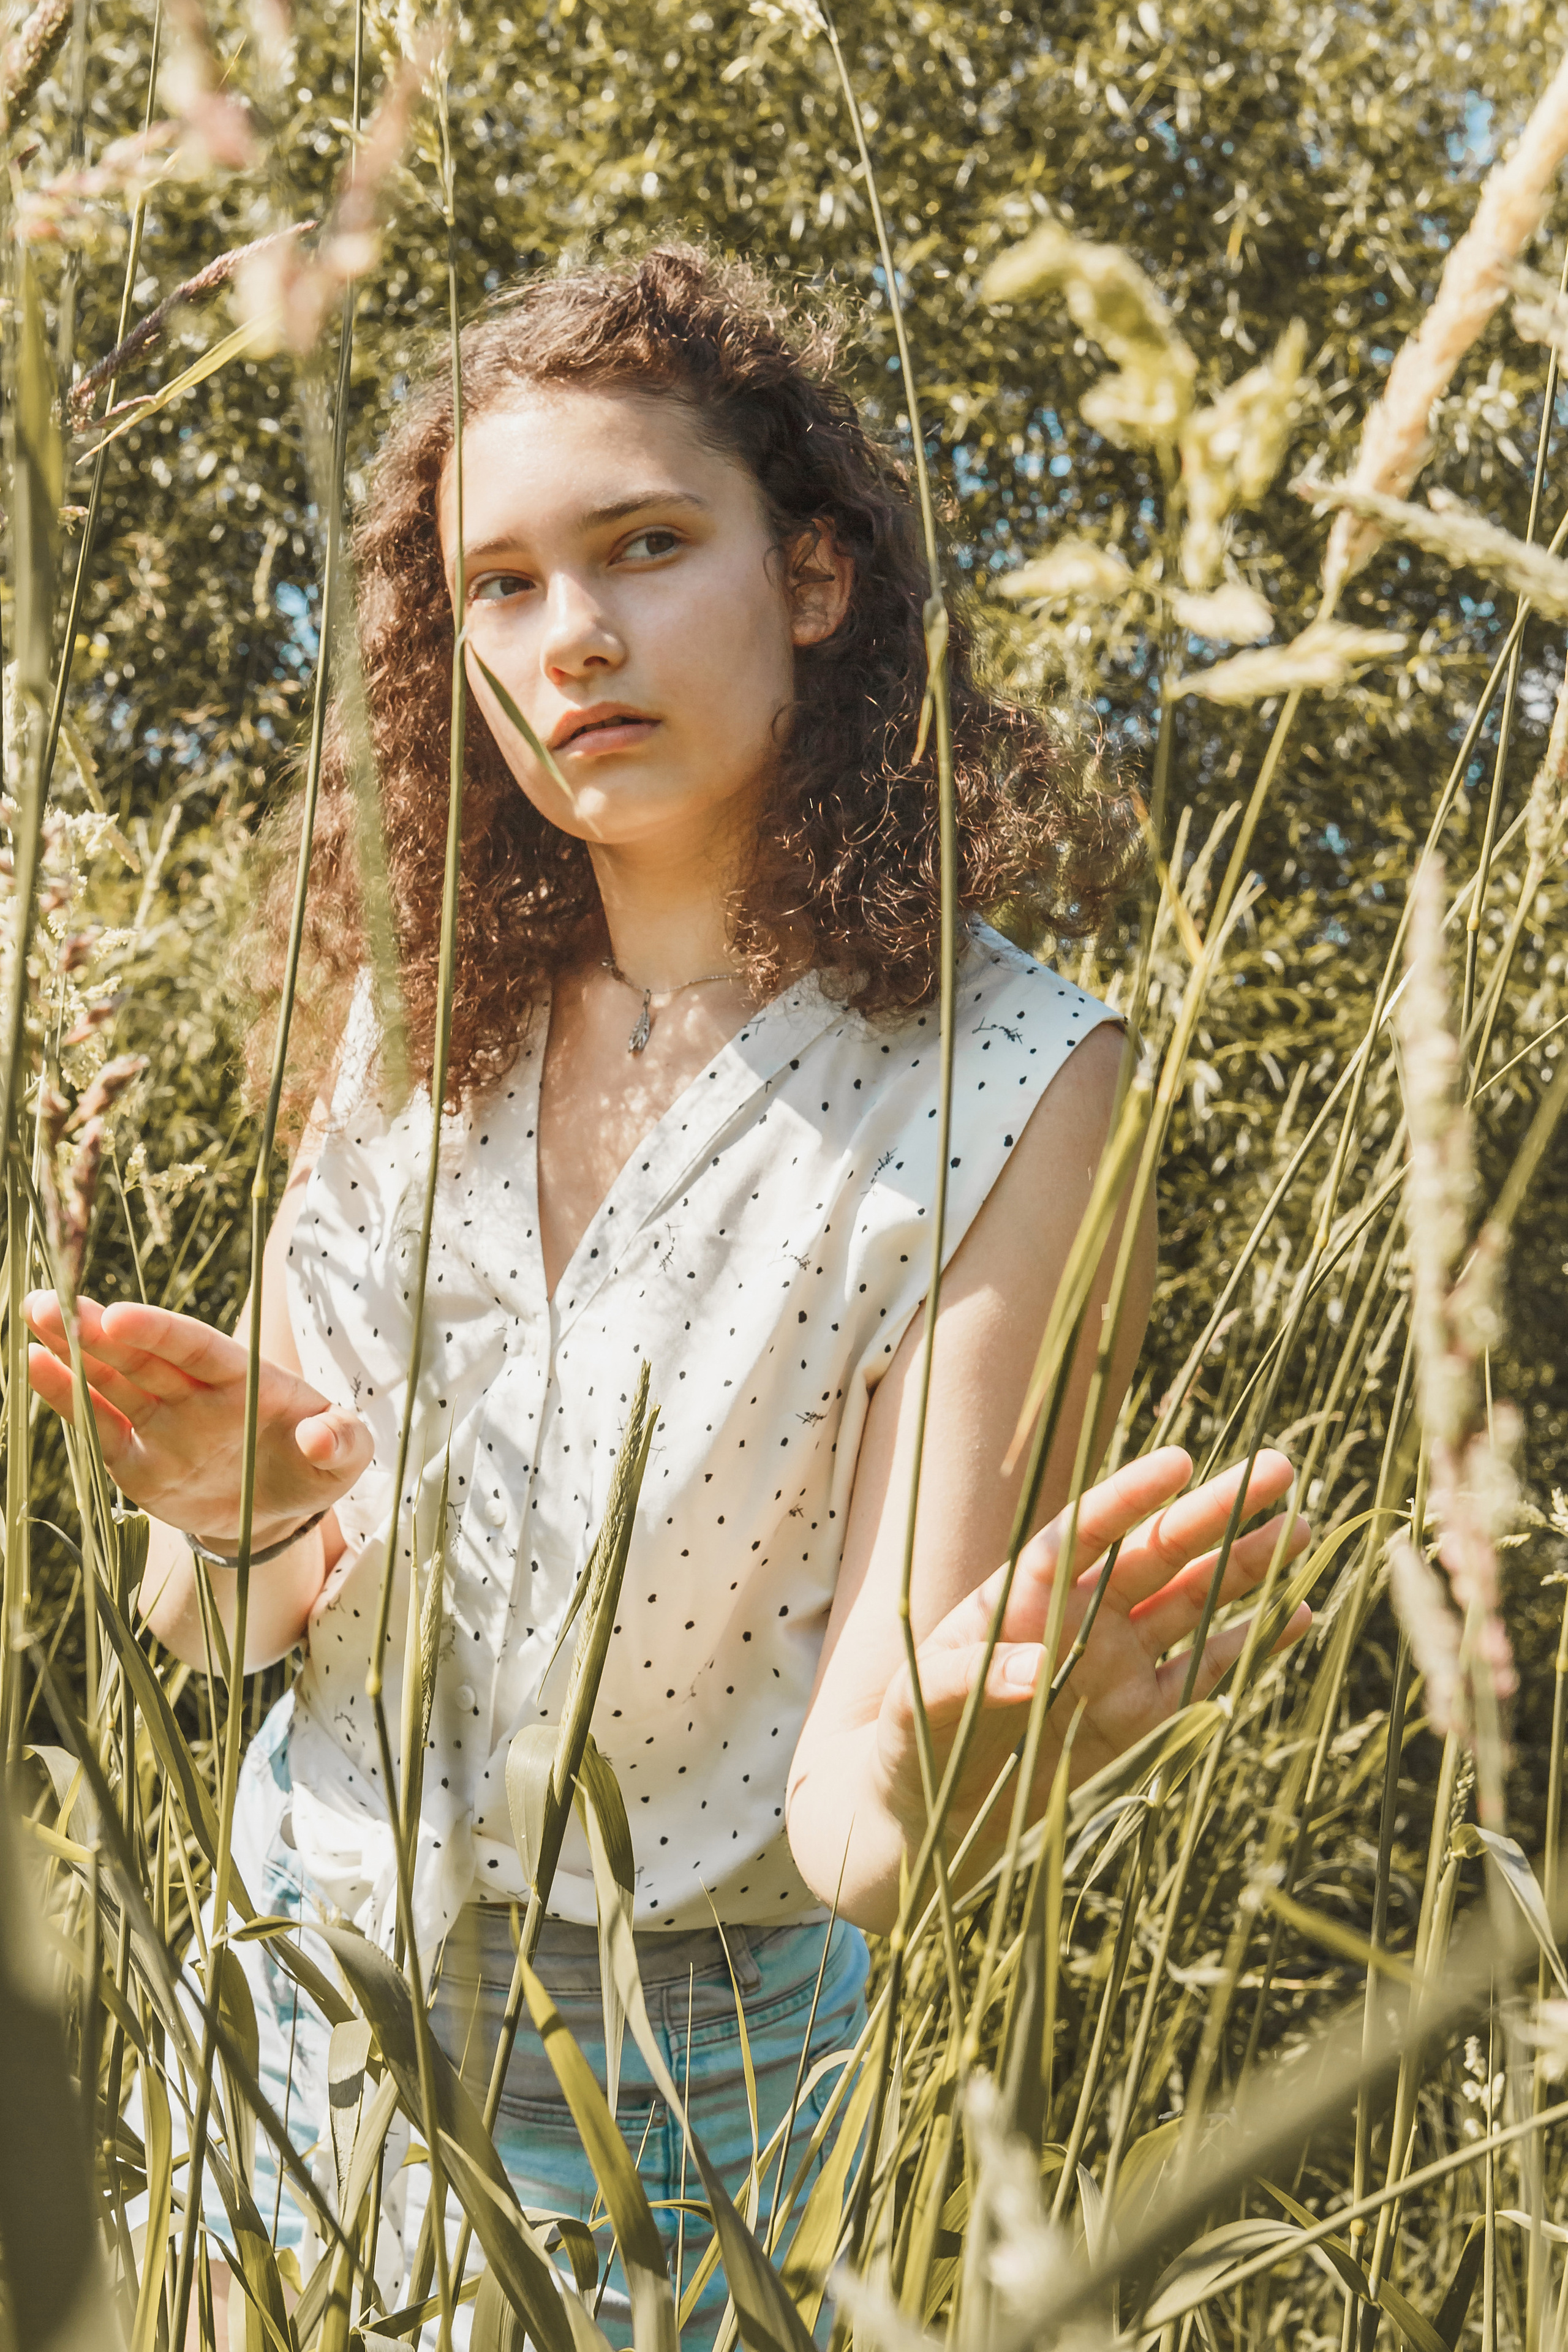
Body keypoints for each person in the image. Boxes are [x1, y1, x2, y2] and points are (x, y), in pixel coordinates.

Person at [23, 246, 1310, 2342]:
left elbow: (855, 1827)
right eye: (501, 589)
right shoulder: (402, 1010)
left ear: (813, 578)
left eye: (644, 544)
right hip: (289, 1984)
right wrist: (233, 1507)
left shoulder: (1016, 1081)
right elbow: (219, 1638)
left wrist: (992, 1747)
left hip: (677, 2093)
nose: (575, 637)